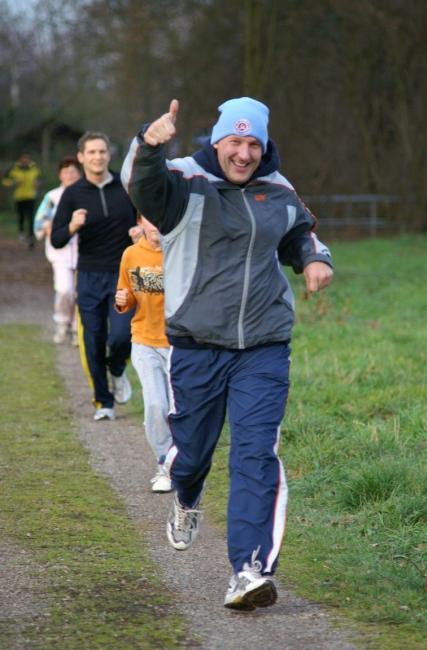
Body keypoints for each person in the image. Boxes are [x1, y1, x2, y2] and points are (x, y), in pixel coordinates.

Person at [121, 97, 333, 610]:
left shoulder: (277, 189)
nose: (244, 154)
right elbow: (142, 186)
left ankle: (249, 569)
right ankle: (187, 499)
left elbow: (299, 230)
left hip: (263, 345)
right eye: (234, 142)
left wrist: (312, 259)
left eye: (254, 144)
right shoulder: (182, 182)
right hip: (196, 343)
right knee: (190, 455)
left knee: (255, 454)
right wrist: (149, 142)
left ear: (264, 146)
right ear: (216, 142)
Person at [51, 131, 137, 422]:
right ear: (81, 157)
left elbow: (146, 220)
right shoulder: (73, 193)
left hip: (123, 274)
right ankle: (104, 401)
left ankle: (117, 368)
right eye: (91, 152)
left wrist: (139, 230)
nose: (97, 157)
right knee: (94, 337)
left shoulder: (126, 187)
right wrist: (73, 226)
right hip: (88, 274)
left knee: (122, 334)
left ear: (109, 154)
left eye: (102, 151)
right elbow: (57, 239)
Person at [115, 215, 173, 493]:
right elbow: (125, 292)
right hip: (144, 341)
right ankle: (164, 464)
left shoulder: (182, 251)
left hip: (181, 344)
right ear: (140, 222)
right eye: (151, 220)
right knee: (155, 406)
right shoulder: (131, 254)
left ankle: (183, 463)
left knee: (178, 409)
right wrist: (123, 300)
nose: (157, 227)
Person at [33, 156, 81, 345]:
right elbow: (39, 221)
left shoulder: (86, 194)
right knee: (64, 290)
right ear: (60, 175)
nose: (69, 175)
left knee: (80, 292)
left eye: (73, 171)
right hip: (60, 252)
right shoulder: (52, 197)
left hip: (84, 251)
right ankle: (62, 322)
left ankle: (78, 328)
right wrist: (46, 227)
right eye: (65, 171)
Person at [2, 152, 41, 248]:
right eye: (24, 159)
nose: (25, 160)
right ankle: (21, 233)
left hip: (31, 196)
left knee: (31, 216)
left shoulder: (34, 168)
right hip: (19, 196)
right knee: (21, 216)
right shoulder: (14, 168)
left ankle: (31, 236)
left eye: (27, 159)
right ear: (20, 159)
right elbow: (4, 180)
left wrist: (37, 183)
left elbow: (39, 179)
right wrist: (13, 183)